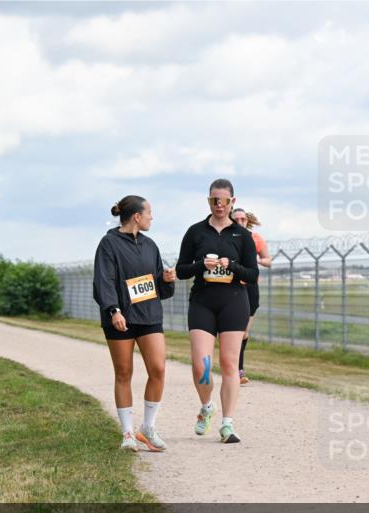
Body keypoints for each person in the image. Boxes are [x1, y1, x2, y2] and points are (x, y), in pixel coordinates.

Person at [175, 179, 258, 443]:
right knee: (203, 364)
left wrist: (232, 265)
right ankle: (207, 406)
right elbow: (180, 270)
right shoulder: (196, 232)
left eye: (224, 201)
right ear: (208, 201)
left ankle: (228, 423)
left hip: (234, 300)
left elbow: (253, 275)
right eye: (214, 200)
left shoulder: (242, 236)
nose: (219, 205)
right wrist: (201, 264)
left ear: (232, 202)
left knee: (230, 363)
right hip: (203, 301)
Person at [93, 195, 176, 453]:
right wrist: (113, 310)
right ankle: (128, 433)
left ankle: (147, 428)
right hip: (121, 318)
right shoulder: (109, 243)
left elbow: (158, 289)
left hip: (150, 315)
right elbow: (103, 281)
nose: (152, 217)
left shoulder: (151, 245)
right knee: (124, 373)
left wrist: (167, 279)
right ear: (137, 217)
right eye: (149, 212)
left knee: (158, 369)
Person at [231, 209, 272, 384]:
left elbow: (268, 260)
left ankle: (238, 369)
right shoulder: (226, 237)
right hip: (231, 286)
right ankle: (234, 369)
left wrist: (256, 261)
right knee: (233, 330)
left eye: (243, 219)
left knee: (244, 332)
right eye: (236, 219)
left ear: (247, 221)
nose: (240, 221)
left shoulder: (255, 238)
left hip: (250, 286)